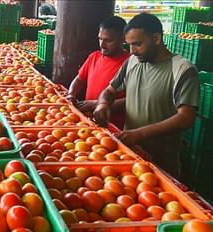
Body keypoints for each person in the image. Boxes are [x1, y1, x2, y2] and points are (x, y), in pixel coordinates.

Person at [93, 13, 199, 179]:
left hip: (161, 162)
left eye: (137, 44)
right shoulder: (132, 62)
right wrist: (102, 104)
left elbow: (186, 117)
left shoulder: (182, 70)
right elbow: (110, 90)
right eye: (129, 45)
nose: (132, 51)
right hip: (130, 152)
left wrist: (139, 134)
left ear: (156, 38)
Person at [66, 16, 130, 129]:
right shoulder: (94, 57)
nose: (102, 45)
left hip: (113, 125)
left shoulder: (130, 63)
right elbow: (79, 79)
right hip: (88, 119)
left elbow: (132, 100)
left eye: (108, 40)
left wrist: (99, 103)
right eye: (100, 39)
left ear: (122, 39)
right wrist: (71, 94)